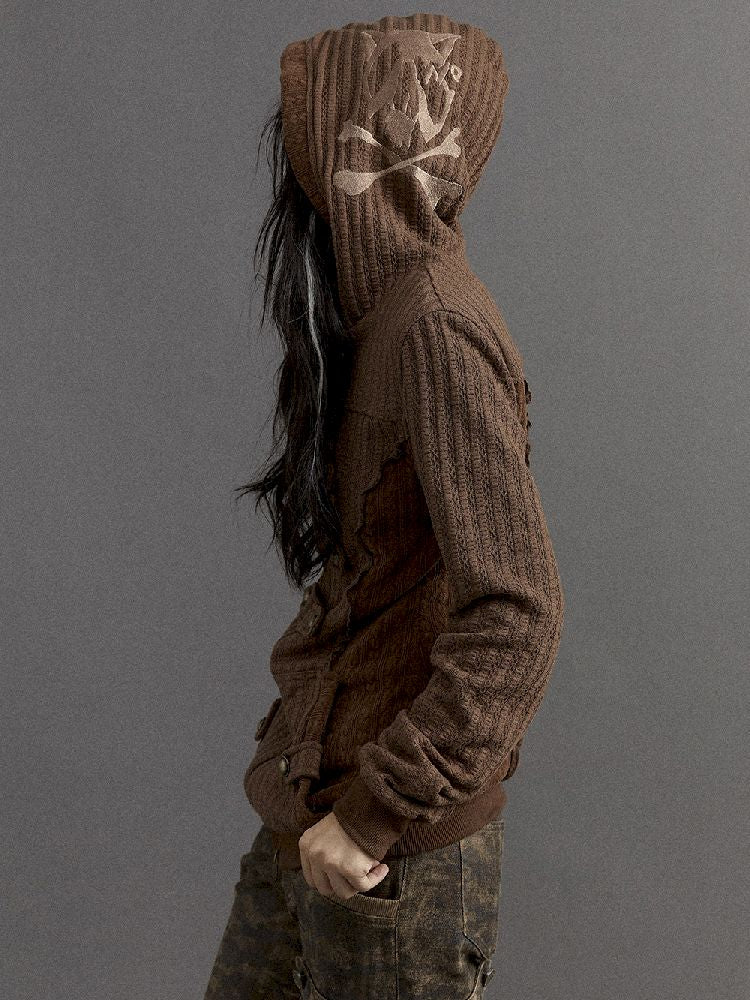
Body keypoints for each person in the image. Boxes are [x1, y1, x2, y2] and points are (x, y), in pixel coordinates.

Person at [205, 12, 564, 1000]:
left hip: (384, 858)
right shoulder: (383, 317)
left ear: (351, 157)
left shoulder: (437, 329)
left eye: (304, 139)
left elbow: (519, 611)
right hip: (313, 809)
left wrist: (373, 814)